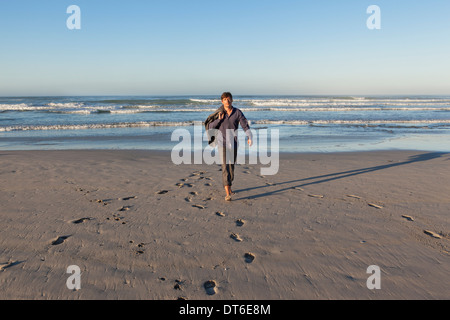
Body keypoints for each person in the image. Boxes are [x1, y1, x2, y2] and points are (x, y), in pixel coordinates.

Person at [207, 92, 252, 201]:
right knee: (224, 167)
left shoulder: (237, 112)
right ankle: (227, 193)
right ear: (222, 101)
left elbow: (244, 125)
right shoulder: (219, 112)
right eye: (225, 99)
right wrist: (219, 119)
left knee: (231, 167)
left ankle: (229, 185)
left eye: (229, 99)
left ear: (232, 100)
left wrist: (249, 137)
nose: (227, 101)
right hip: (222, 143)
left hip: (233, 143)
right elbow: (210, 126)